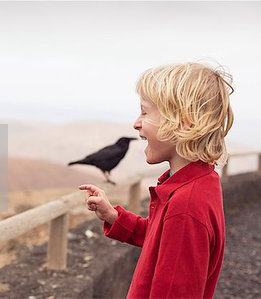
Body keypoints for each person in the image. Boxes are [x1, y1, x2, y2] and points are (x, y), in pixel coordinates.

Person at [79, 62, 234, 299]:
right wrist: (114, 217)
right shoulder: (199, 182)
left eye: (144, 112)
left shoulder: (186, 205)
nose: (136, 123)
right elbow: (162, 239)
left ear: (184, 122)